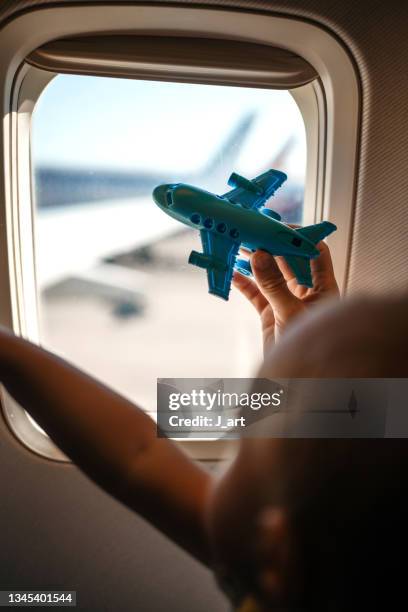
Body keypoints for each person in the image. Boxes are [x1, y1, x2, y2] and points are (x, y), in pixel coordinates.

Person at [0, 241, 404, 610]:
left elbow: (137, 456)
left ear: (276, 552)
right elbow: (136, 455)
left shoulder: (264, 564)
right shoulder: (309, 572)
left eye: (239, 447)